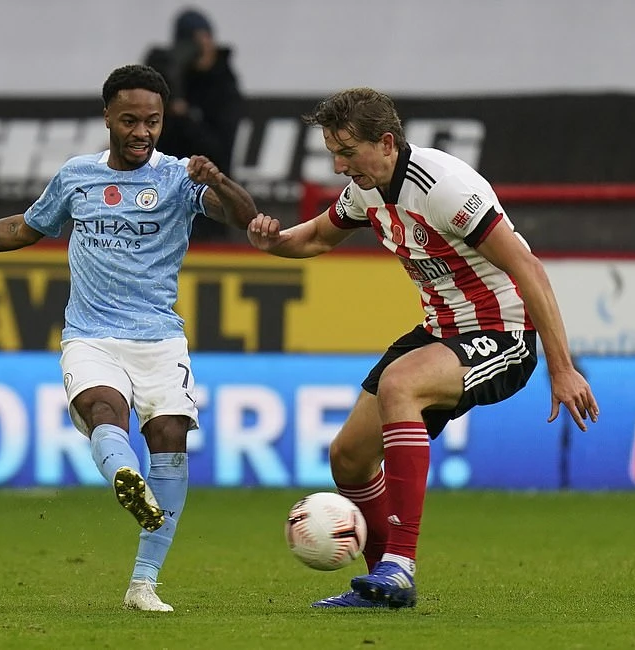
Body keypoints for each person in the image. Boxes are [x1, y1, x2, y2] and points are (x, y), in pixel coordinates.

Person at [0, 64, 257, 612]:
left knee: (169, 437)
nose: (142, 132)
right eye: (130, 120)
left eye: (152, 121)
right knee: (103, 410)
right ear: (107, 116)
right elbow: (21, 229)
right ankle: (126, 476)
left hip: (160, 340)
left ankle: (143, 584)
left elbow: (246, 219)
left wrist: (219, 180)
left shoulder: (180, 177)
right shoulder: (77, 176)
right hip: (91, 336)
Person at [247, 87, 599, 609]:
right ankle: (381, 585)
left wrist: (562, 367)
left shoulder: (443, 186)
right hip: (441, 331)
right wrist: (273, 242)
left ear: (387, 143)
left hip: (504, 331)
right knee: (348, 458)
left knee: (401, 383)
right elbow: (317, 237)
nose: (339, 166)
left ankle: (400, 565)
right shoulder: (366, 189)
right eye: (333, 153)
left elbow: (527, 267)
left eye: (347, 152)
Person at [144, 8, 244, 241]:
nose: (201, 48)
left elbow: (219, 149)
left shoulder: (223, 84)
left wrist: (186, 117)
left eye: (204, 39)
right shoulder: (171, 78)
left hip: (208, 201)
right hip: (165, 200)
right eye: (193, 42)